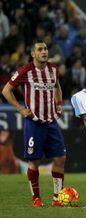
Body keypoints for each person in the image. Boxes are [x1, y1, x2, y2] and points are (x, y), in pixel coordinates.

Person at [1, 40, 66, 207]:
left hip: (51, 122)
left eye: (45, 49)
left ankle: (57, 197)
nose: (44, 51)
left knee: (60, 158)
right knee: (34, 161)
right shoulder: (26, 70)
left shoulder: (53, 69)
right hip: (34, 123)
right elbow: (6, 90)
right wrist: (20, 110)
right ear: (33, 54)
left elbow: (57, 86)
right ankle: (36, 198)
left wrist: (59, 104)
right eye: (40, 49)